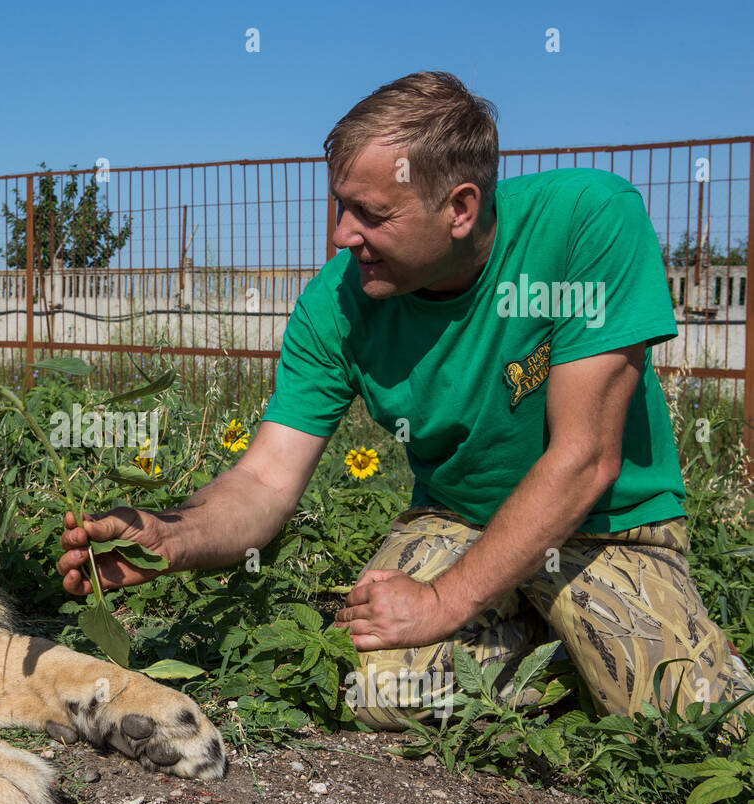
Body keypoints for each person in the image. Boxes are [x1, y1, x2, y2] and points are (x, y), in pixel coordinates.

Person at [57, 70, 754, 729]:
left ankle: (569, 648)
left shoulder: (587, 222)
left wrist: (444, 601)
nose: (341, 234)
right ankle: (551, 651)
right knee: (369, 685)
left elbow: (585, 458)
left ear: (460, 208)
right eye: (339, 206)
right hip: (458, 523)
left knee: (687, 718)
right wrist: (171, 537)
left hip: (607, 530)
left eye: (371, 213)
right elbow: (266, 479)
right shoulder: (337, 302)